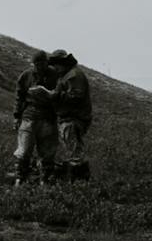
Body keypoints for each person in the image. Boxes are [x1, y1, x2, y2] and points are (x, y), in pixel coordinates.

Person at [12, 50, 59, 185]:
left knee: (47, 152)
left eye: (42, 64)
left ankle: (45, 180)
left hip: (48, 117)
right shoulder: (26, 76)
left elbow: (60, 95)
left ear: (47, 63)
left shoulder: (55, 76)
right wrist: (16, 116)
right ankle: (20, 179)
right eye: (37, 64)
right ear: (33, 64)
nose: (40, 67)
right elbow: (19, 97)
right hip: (29, 116)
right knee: (24, 150)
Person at [50, 50, 94, 182]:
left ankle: (78, 181)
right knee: (74, 150)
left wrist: (55, 95)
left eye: (56, 65)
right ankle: (79, 180)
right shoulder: (69, 75)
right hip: (70, 118)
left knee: (74, 152)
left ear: (62, 63)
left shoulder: (73, 76)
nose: (54, 68)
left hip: (73, 119)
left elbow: (76, 96)